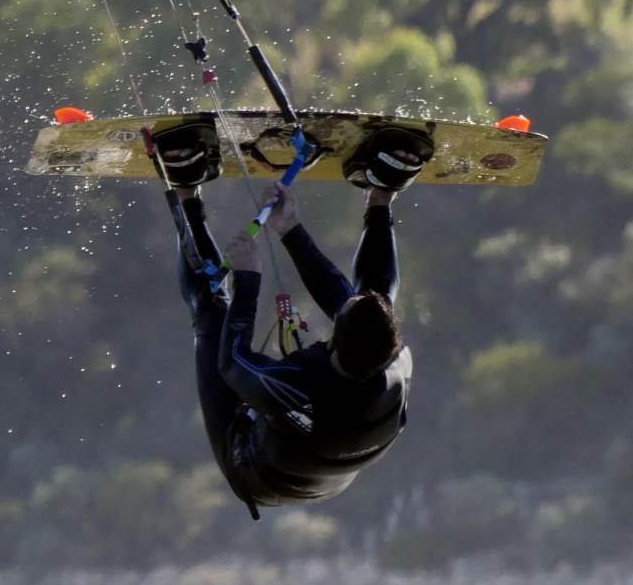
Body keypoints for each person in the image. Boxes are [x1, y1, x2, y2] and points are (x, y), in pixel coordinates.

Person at [151, 125, 428, 519]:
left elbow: (232, 363)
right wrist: (291, 231)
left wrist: (247, 281)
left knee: (212, 311)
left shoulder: (297, 388)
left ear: (332, 340)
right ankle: (380, 193)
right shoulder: (395, 361)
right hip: (328, 465)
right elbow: (352, 308)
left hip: (256, 472)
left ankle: (185, 190)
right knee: (376, 301)